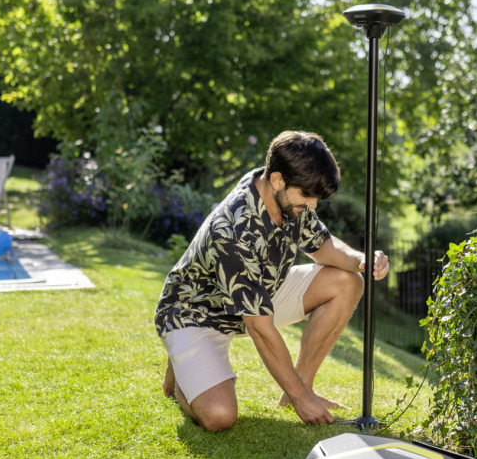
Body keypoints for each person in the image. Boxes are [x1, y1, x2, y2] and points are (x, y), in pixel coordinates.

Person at [154, 130, 389, 431]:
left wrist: (362, 259)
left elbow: (324, 247)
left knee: (349, 281)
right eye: (307, 195)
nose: (313, 205)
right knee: (219, 416)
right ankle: (181, 371)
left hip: (259, 293)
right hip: (196, 313)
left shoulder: (281, 190)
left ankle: (301, 386)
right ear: (278, 180)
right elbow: (260, 329)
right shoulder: (232, 230)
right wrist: (302, 400)